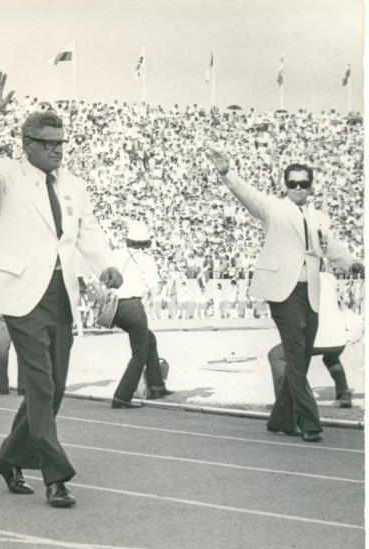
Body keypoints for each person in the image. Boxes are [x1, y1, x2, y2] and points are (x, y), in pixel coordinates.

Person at [0, 72, 121, 507]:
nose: (57, 151)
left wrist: (105, 265)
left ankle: (9, 458)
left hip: (61, 296)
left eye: (61, 144)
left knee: (53, 389)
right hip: (20, 295)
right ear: (28, 145)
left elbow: (87, 233)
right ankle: (56, 476)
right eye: (49, 144)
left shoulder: (74, 184)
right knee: (39, 383)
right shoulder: (7, 178)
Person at [209, 150, 358, 443]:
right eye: (293, 183)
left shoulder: (320, 218)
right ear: (285, 185)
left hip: (310, 292)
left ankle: (279, 419)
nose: (298, 188)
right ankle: (309, 422)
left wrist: (353, 263)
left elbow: (331, 248)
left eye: (304, 183)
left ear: (311, 185)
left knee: (300, 358)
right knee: (294, 356)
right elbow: (248, 195)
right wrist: (227, 172)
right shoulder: (273, 209)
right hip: (283, 292)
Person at [107, 221, 173, 408]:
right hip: (133, 306)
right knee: (139, 351)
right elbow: (156, 288)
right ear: (145, 242)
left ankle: (157, 385)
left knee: (149, 340)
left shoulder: (115, 254)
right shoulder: (146, 259)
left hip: (114, 307)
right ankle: (122, 396)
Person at [267, 270, 356, 408]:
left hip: (318, 335)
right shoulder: (329, 277)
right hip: (339, 336)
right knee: (331, 359)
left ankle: (283, 403)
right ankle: (344, 392)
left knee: (275, 355)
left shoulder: (300, 277)